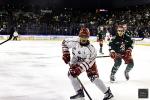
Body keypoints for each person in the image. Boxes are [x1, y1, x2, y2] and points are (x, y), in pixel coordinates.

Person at [62, 27, 113, 100]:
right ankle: (79, 93)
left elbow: (88, 63)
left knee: (94, 78)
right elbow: (64, 43)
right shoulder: (74, 41)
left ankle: (108, 93)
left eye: (85, 37)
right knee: (71, 74)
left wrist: (79, 69)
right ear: (79, 36)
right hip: (76, 60)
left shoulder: (92, 50)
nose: (83, 38)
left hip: (89, 63)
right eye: (82, 36)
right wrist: (65, 52)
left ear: (88, 37)